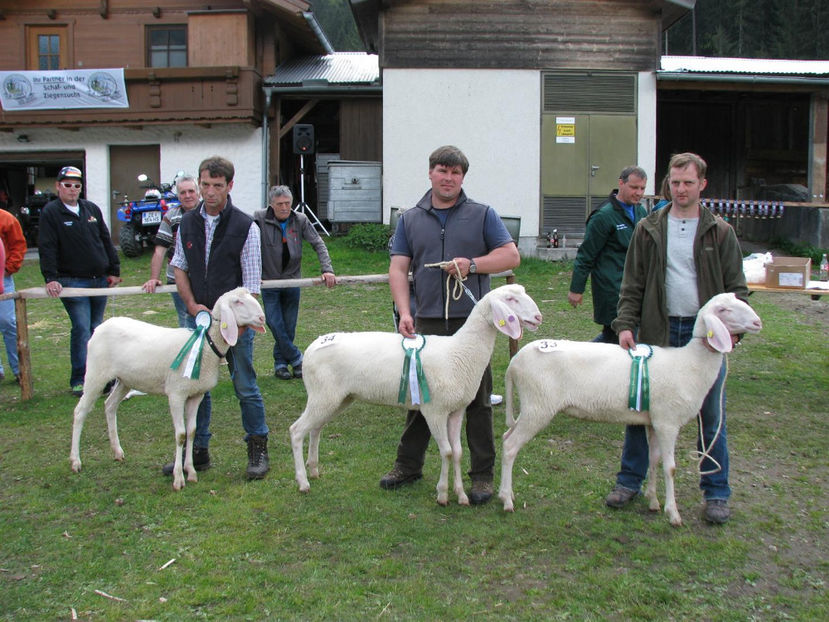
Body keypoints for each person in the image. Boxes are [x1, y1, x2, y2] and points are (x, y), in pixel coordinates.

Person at [606, 152, 749, 524]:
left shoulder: (720, 232)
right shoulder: (649, 227)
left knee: (710, 413)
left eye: (688, 182)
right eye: (674, 182)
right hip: (658, 330)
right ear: (667, 183)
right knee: (641, 407)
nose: (680, 189)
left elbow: (737, 291)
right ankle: (630, 481)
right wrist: (625, 323)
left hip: (705, 340)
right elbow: (632, 282)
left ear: (702, 184)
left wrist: (730, 334)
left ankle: (716, 492)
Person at [381, 145, 521, 505]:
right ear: (430, 173)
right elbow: (398, 269)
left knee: (477, 400)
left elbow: (511, 255)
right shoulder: (410, 218)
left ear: (462, 178)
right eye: (442, 171)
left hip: (471, 324)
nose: (448, 178)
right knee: (420, 394)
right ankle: (408, 465)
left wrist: (471, 265)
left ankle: (482, 476)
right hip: (426, 318)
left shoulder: (483, 214)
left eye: (455, 173)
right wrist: (404, 312)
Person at [168, 155, 270, 479]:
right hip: (197, 320)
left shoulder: (245, 226)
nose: (209, 192)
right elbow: (179, 266)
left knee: (245, 385)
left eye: (217, 185)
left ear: (230, 186)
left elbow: (250, 286)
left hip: (234, 323)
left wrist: (235, 327)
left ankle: (258, 449)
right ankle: (197, 452)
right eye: (205, 185)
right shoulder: (186, 222)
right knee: (196, 387)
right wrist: (191, 305)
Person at [39, 166, 121, 396]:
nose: (72, 190)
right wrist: (51, 278)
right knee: (82, 328)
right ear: (58, 187)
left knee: (97, 330)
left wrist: (113, 269)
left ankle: (102, 376)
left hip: (99, 280)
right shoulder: (51, 212)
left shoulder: (91, 209)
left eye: (77, 186)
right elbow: (47, 246)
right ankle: (79, 378)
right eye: (67, 185)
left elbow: (105, 239)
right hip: (72, 282)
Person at [254, 185, 336, 380]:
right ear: (271, 204)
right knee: (274, 322)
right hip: (268, 281)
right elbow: (246, 246)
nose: (284, 208)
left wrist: (327, 269)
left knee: (288, 326)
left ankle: (281, 364)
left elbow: (318, 243)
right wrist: (251, 273)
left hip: (292, 280)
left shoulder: (300, 219)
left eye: (287, 204)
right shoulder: (258, 218)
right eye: (280, 204)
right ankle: (298, 359)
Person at [568, 166, 647, 343]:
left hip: (635, 287)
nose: (639, 193)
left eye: (642, 188)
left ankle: (584, 356)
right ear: (621, 183)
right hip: (612, 289)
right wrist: (576, 289)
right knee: (617, 338)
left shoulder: (641, 212)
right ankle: (582, 359)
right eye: (634, 188)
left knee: (627, 337)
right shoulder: (603, 216)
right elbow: (586, 255)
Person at [141, 173, 200, 327]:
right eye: (183, 192)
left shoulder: (209, 213)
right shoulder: (171, 216)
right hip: (177, 280)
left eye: (191, 191)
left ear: (198, 192)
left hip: (205, 280)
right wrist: (154, 277)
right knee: (186, 323)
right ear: (178, 196)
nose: (187, 196)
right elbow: (160, 250)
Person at [0, 205, 27, 383]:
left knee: (8, 322)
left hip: (3, 278)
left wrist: (9, 268)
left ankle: (18, 369)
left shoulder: (6, 219)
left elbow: (18, 245)